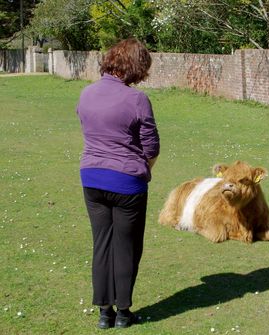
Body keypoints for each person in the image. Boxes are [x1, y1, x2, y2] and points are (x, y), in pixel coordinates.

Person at [76, 38, 160, 329]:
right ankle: (123, 313)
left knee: (102, 245)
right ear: (137, 67)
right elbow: (151, 148)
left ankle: (104, 313)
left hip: (91, 178)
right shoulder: (137, 99)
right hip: (127, 183)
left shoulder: (86, 94)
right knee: (126, 247)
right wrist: (142, 171)